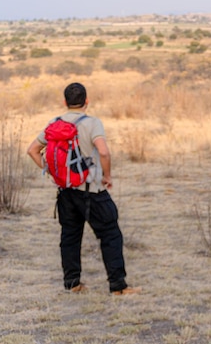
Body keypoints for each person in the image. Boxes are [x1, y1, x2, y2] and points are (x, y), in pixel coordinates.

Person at [27, 82, 141, 295]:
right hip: (91, 191)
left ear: (65, 102)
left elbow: (32, 150)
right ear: (87, 101)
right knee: (110, 234)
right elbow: (104, 152)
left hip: (65, 191)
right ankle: (118, 286)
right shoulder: (92, 123)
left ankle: (73, 284)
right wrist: (107, 176)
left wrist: (50, 171)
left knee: (70, 237)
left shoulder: (54, 122)